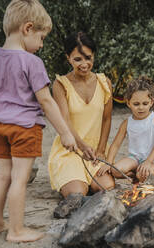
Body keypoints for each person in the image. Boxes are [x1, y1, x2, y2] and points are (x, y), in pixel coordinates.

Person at [0, 0, 77, 242]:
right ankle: (16, 230)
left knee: (3, 175)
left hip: (0, 126)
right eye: (42, 37)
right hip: (25, 128)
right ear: (28, 28)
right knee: (19, 179)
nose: (41, 44)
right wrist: (65, 133)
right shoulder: (31, 62)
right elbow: (46, 101)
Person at [48, 32, 115, 198]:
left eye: (88, 58)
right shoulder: (60, 84)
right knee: (77, 193)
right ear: (68, 58)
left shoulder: (104, 82)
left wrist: (100, 151)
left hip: (95, 152)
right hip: (70, 150)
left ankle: (88, 179)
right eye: (78, 59)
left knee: (107, 188)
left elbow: (107, 119)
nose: (84, 64)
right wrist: (82, 147)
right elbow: (65, 120)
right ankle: (72, 179)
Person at [102, 76, 154, 183]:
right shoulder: (127, 123)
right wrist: (108, 163)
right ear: (128, 103)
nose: (141, 107)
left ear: (151, 102)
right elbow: (115, 145)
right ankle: (136, 176)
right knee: (115, 170)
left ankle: (149, 174)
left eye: (145, 103)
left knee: (143, 174)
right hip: (135, 158)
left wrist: (148, 162)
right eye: (136, 104)